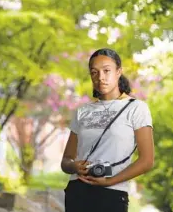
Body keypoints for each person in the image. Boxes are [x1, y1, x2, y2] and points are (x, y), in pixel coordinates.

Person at [61, 48, 154, 212]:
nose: (100, 77)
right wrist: (75, 167)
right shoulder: (83, 111)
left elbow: (147, 161)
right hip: (77, 193)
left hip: (112, 195)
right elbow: (66, 160)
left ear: (119, 72)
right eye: (94, 72)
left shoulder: (136, 109)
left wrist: (111, 180)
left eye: (106, 71)